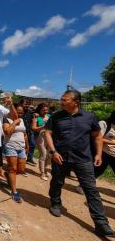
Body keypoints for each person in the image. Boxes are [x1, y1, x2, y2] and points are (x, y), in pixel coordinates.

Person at [45, 90, 115, 237]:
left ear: (75, 102)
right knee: (57, 182)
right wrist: (53, 152)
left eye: (65, 100)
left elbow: (97, 136)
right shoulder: (56, 116)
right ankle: (56, 203)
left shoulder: (89, 117)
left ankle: (101, 223)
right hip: (60, 158)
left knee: (91, 190)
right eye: (61, 99)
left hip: (83, 159)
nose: (61, 102)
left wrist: (98, 154)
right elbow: (48, 133)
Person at [3, 104, 29, 203]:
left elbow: (24, 133)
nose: (20, 114)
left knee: (21, 169)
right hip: (10, 146)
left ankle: (8, 174)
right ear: (12, 111)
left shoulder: (21, 120)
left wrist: (27, 145)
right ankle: (14, 192)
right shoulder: (6, 119)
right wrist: (14, 122)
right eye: (18, 112)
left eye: (22, 112)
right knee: (13, 169)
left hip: (21, 147)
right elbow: (7, 131)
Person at [31, 103, 51, 181]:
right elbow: (33, 128)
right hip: (40, 137)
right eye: (44, 110)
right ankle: (42, 172)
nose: (45, 111)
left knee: (49, 154)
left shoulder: (49, 116)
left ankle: (46, 169)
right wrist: (42, 127)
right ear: (40, 110)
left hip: (49, 137)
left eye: (47, 110)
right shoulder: (36, 117)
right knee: (43, 154)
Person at [20, 99, 36, 166]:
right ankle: (21, 159)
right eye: (25, 104)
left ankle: (29, 158)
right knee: (22, 146)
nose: (27, 105)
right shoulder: (19, 112)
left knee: (32, 144)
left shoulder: (30, 112)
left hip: (29, 131)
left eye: (28, 104)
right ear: (21, 104)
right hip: (21, 132)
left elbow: (32, 119)